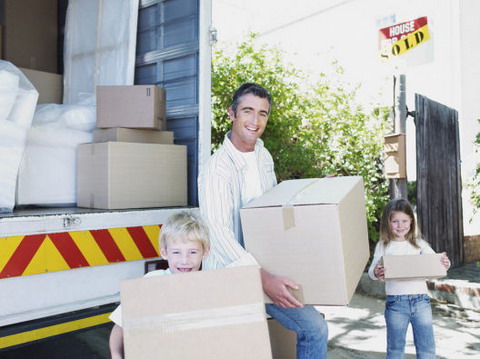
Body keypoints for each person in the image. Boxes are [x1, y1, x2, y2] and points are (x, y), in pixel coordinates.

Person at [198, 82, 328, 358]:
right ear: (232, 114)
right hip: (229, 275)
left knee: (315, 327)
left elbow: (272, 207)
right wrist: (262, 277)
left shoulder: (263, 156)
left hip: (266, 266)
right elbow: (217, 234)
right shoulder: (216, 169)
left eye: (263, 113)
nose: (255, 121)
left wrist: (313, 192)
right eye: (248, 111)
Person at [108, 211, 210, 359]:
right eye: (176, 252)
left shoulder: (209, 287)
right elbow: (120, 326)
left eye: (193, 252)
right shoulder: (151, 283)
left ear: (205, 252)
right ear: (164, 252)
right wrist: (116, 355)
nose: (185, 260)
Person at [368, 198, 451, 358]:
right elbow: (372, 271)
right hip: (396, 304)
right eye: (395, 221)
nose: (400, 226)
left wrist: (445, 263)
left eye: (404, 221)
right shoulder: (383, 246)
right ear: (388, 223)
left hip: (421, 302)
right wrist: (377, 272)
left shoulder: (419, 244)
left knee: (426, 348)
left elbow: (436, 262)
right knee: (395, 348)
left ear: (411, 221)